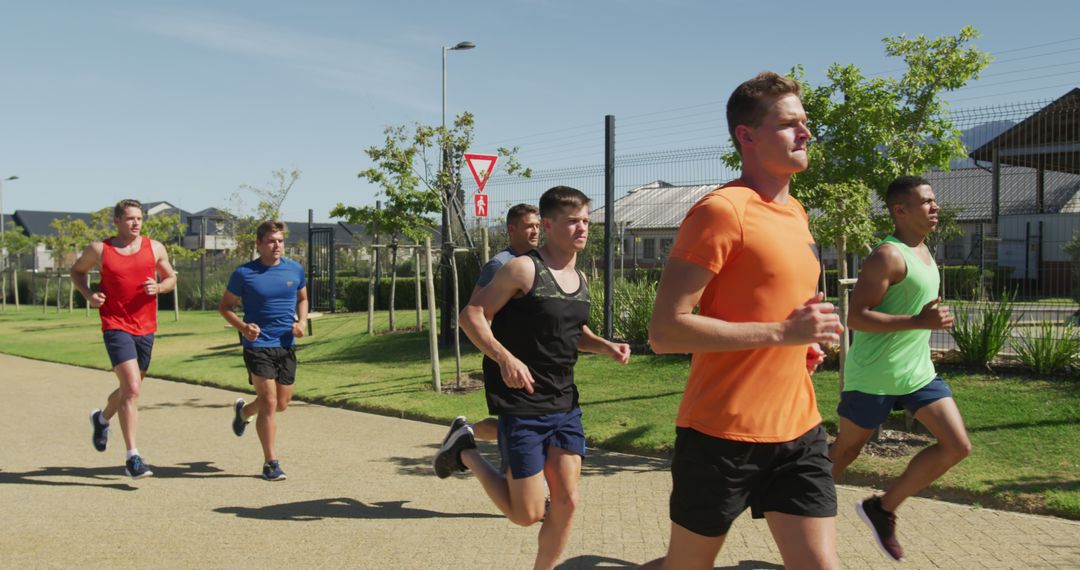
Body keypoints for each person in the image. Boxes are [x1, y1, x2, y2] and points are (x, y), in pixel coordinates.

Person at [641, 71, 842, 570]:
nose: (806, 133)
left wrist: (804, 343)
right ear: (746, 137)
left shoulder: (796, 212)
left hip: (800, 430)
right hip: (721, 436)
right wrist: (782, 333)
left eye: (806, 122)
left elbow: (776, 307)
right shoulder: (721, 211)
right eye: (789, 124)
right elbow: (665, 331)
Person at [435, 186, 631, 570]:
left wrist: (606, 346)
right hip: (522, 400)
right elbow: (472, 315)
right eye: (573, 221)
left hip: (564, 401)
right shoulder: (523, 268)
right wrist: (504, 357)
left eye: (586, 221)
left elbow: (573, 331)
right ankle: (465, 451)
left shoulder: (579, 275)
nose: (582, 229)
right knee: (525, 514)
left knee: (567, 501)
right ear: (549, 223)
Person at [830, 175, 971, 562]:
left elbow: (912, 310)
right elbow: (857, 318)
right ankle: (798, 512)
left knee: (957, 446)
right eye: (926, 201)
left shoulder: (924, 251)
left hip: (916, 373)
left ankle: (883, 507)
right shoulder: (886, 256)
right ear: (900, 210)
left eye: (934, 200)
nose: (935, 206)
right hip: (873, 375)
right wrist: (918, 322)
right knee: (846, 451)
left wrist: (929, 318)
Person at [71, 199, 177, 479]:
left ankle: (102, 418)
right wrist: (89, 295)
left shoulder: (155, 248)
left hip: (146, 326)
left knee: (131, 388)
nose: (136, 223)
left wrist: (160, 286)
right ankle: (133, 457)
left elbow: (171, 278)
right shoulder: (99, 250)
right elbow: (77, 272)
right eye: (130, 218)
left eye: (139, 218)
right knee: (131, 387)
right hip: (115, 324)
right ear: (117, 221)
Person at [219, 220, 308, 481]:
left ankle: (244, 412)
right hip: (257, 345)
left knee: (281, 404)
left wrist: (301, 323)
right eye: (271, 241)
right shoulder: (244, 273)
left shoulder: (295, 270)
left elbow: (302, 298)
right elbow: (225, 307)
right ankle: (271, 462)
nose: (277, 245)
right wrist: (244, 327)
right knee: (269, 402)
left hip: (285, 344)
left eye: (280, 240)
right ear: (259, 244)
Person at [469, 203, 541, 442]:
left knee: (531, 426)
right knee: (518, 429)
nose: (535, 231)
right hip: (507, 359)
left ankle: (465, 432)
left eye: (538, 226)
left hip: (536, 360)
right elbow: (474, 312)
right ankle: (467, 433)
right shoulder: (500, 265)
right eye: (529, 226)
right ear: (512, 229)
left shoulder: (540, 263)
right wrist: (501, 354)